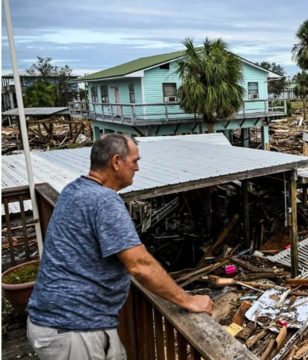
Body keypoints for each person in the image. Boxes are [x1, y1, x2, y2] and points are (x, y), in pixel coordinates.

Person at [27, 134, 213, 360]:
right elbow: (139, 265)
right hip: (73, 327)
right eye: (134, 161)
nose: (138, 168)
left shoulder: (73, 190)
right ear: (116, 162)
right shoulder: (104, 200)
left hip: (64, 322)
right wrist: (189, 301)